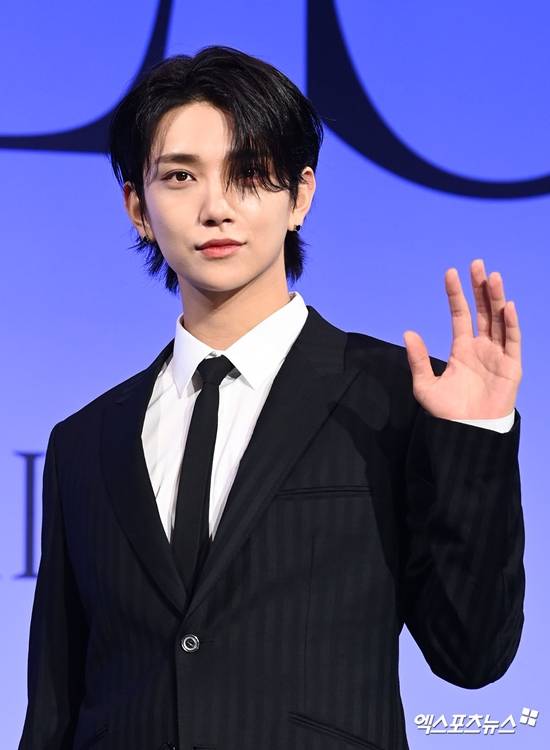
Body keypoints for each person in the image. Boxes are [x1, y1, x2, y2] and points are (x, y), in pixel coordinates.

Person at [18, 46, 524, 750]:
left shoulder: (393, 397)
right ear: (137, 207)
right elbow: (55, 707)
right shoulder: (84, 441)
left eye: (249, 173)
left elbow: (472, 655)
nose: (216, 207)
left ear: (300, 196)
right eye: (181, 176)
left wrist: (477, 434)